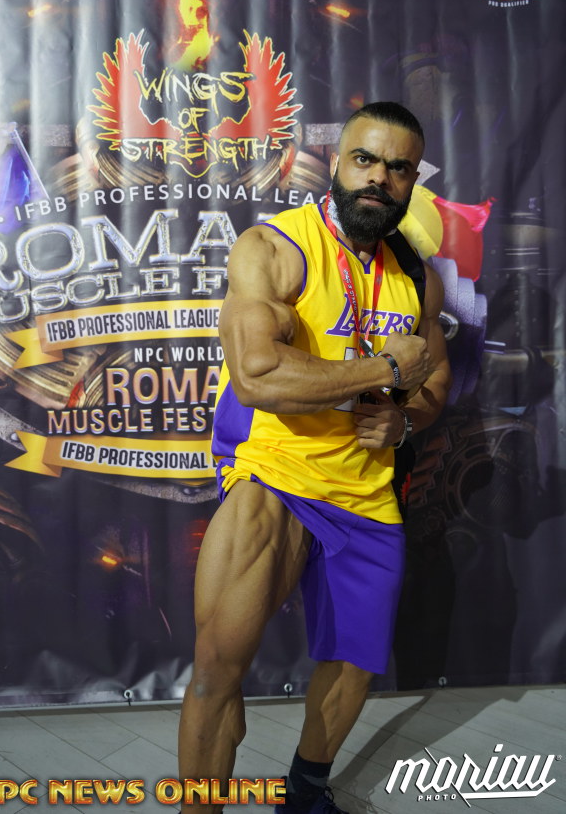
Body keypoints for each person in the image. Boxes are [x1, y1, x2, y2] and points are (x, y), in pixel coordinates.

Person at [178, 102, 452, 813]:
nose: (379, 178)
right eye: (365, 159)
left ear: (411, 182)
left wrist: (403, 420)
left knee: (355, 663)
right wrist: (383, 370)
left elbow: (434, 385)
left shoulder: (417, 277)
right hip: (275, 474)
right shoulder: (274, 250)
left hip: (366, 491)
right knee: (218, 668)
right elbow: (259, 376)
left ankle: (304, 791)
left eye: (399, 168)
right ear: (336, 163)